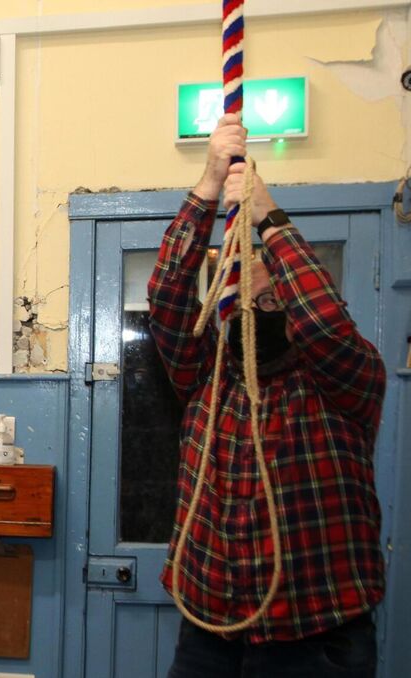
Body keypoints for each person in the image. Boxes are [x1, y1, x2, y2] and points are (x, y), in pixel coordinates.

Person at [148, 114, 386, 677]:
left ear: (294, 309)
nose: (253, 312)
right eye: (240, 302)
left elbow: (326, 325)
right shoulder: (208, 382)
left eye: (271, 302)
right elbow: (166, 299)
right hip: (209, 631)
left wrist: (266, 216)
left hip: (315, 636)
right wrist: (208, 186)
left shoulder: (346, 382)